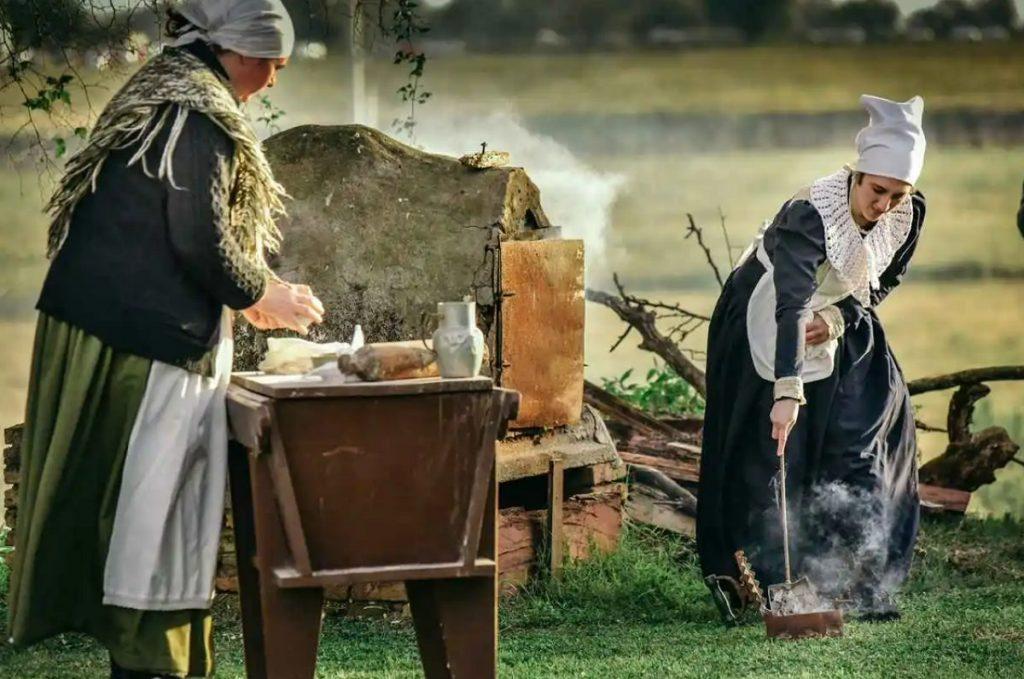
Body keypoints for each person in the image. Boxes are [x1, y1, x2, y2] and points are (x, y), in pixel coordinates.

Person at [6, 2, 323, 676]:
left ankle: (145, 654)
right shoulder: (198, 114)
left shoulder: (164, 89)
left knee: (126, 507)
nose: (272, 80)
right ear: (240, 51)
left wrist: (250, 294)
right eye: (274, 64)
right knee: (155, 504)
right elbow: (200, 237)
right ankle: (148, 660)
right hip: (147, 342)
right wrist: (266, 292)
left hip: (109, 326)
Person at [696, 95, 927, 622]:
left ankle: (851, 578)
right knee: (770, 452)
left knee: (863, 428)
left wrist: (842, 320)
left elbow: (883, 280)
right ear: (857, 174)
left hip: (840, 317)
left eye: (898, 194)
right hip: (767, 312)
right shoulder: (809, 215)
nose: (884, 206)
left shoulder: (906, 212)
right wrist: (786, 394)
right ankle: (754, 580)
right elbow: (791, 305)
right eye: (877, 190)